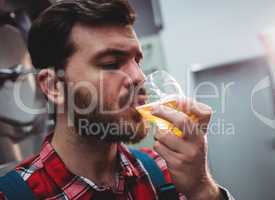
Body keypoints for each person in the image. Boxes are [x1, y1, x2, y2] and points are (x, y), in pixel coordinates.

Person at [0, 0, 234, 199]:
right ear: (53, 87)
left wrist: (202, 189)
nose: (138, 77)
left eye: (137, 61)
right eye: (111, 63)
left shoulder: (165, 172)